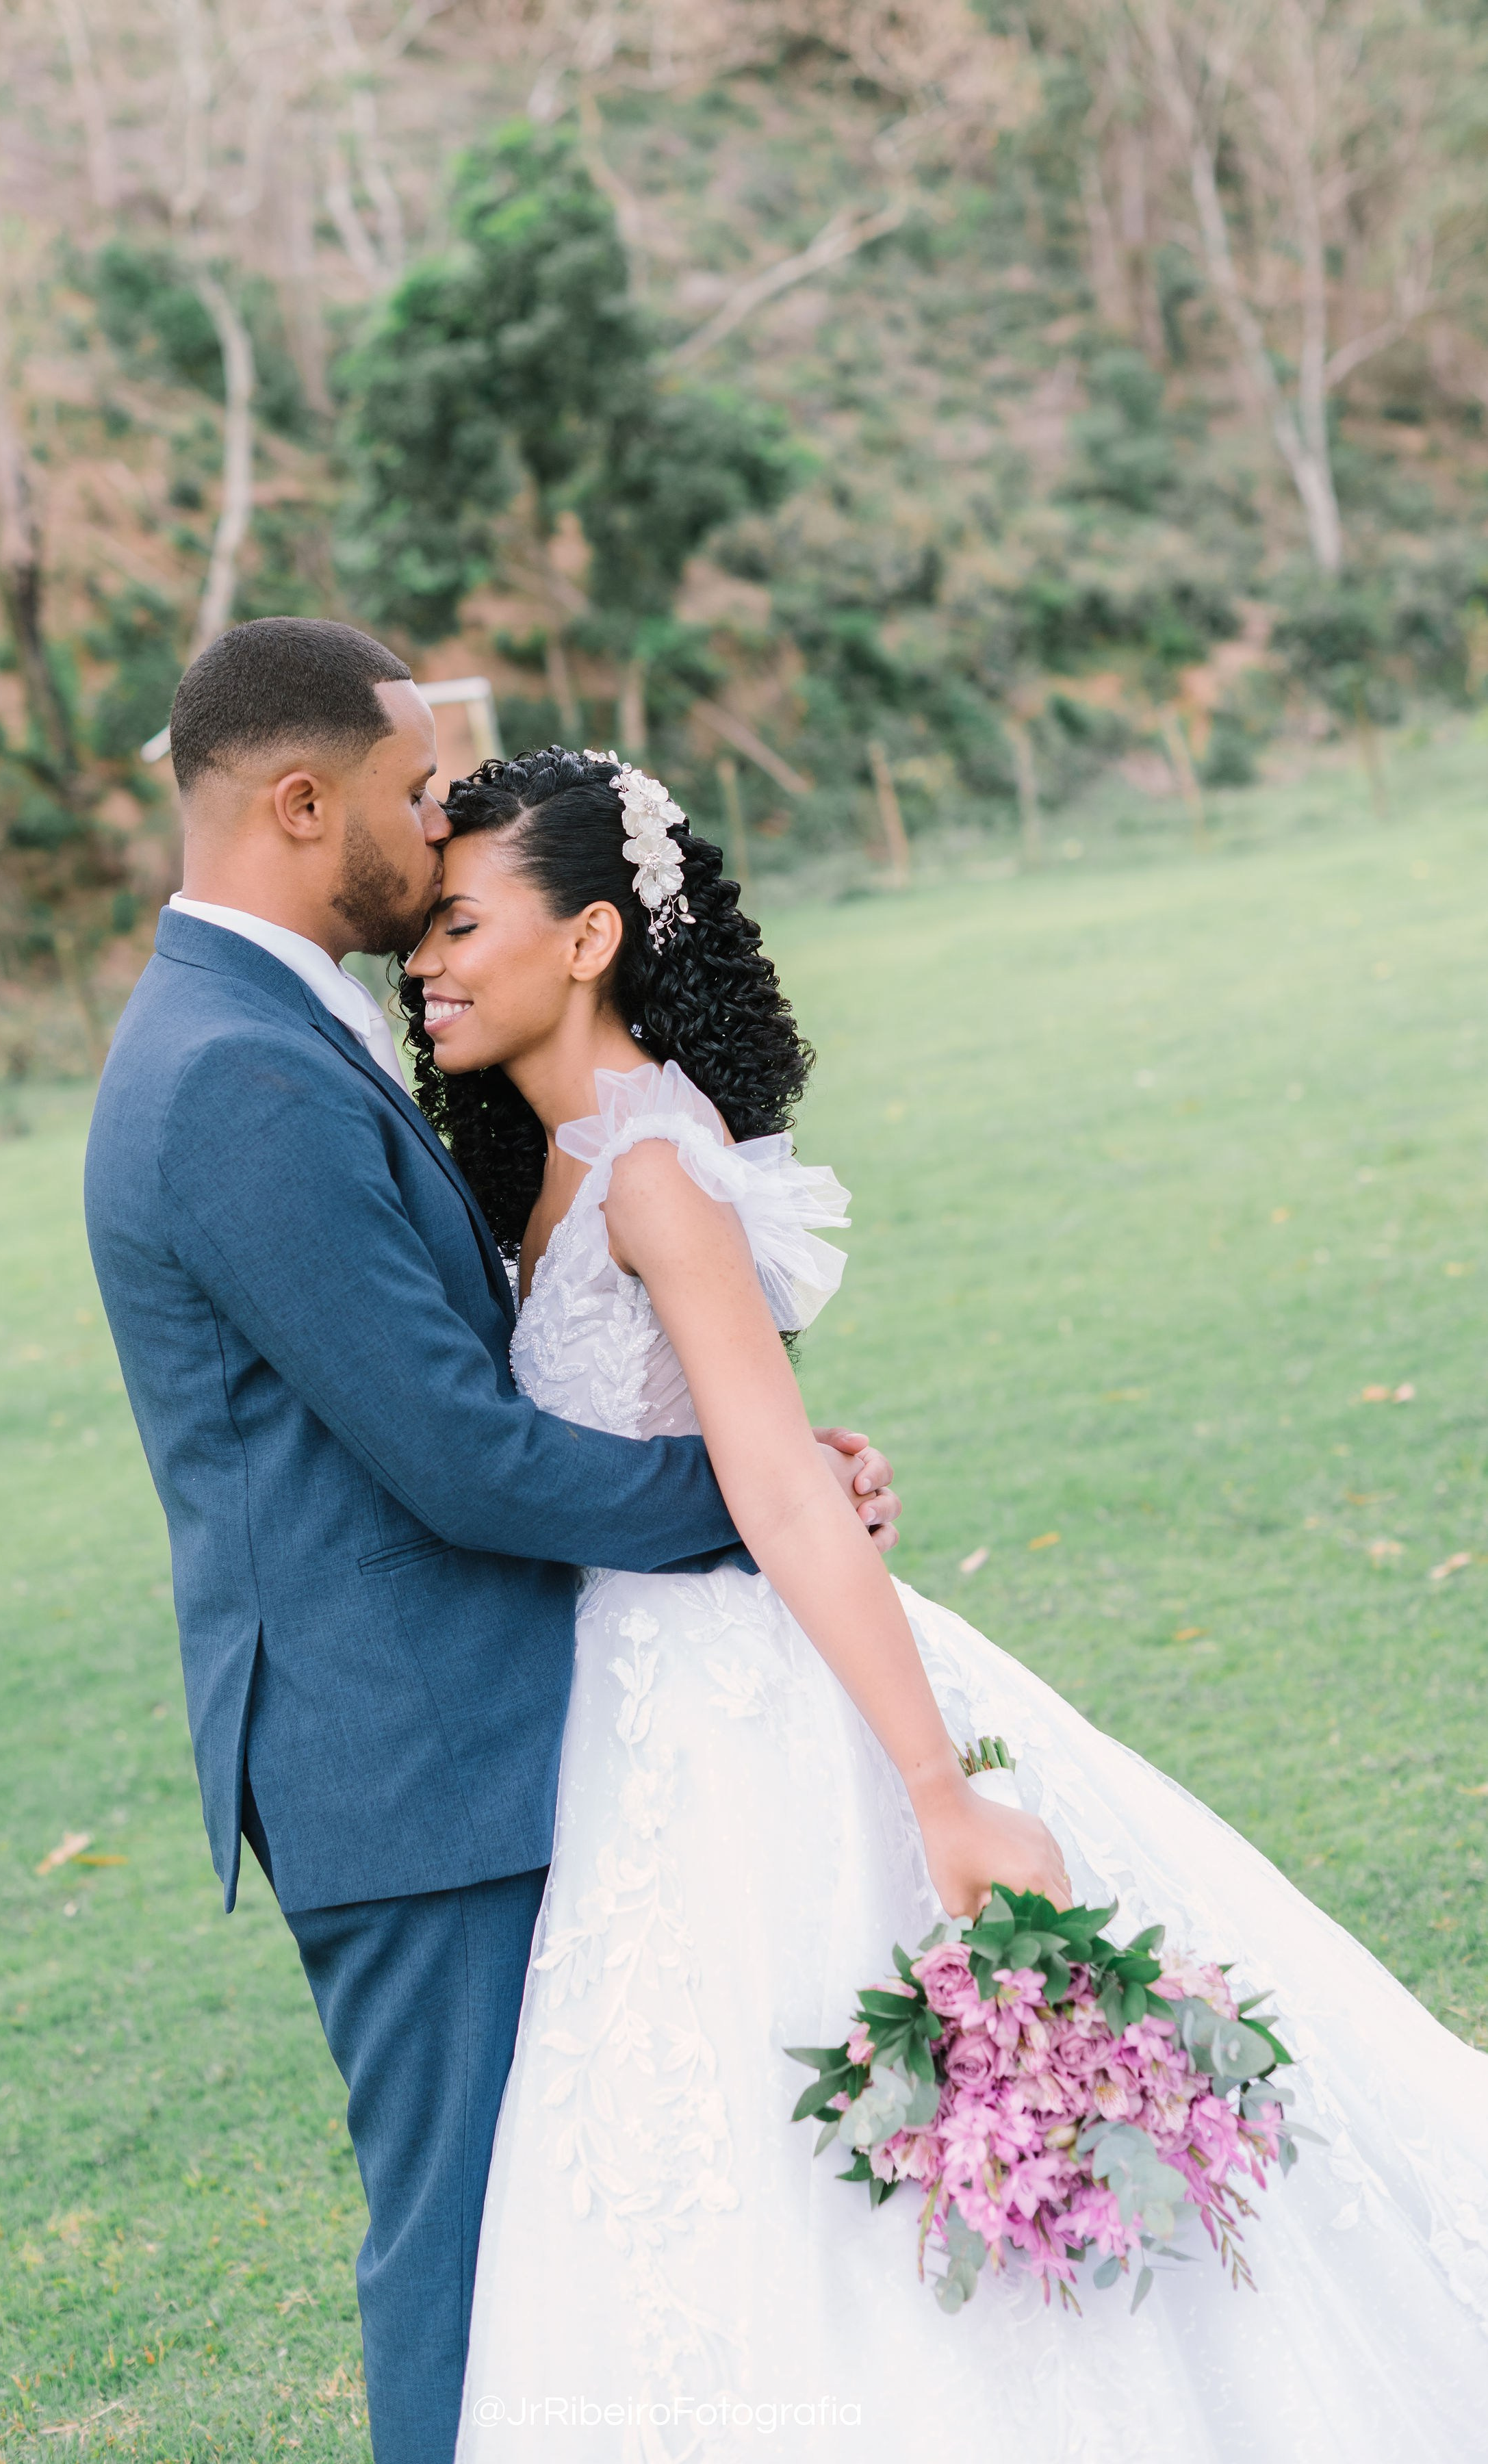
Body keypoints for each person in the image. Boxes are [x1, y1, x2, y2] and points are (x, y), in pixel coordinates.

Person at [398, 745, 1488, 2461]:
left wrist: (931, 1790)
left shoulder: (653, 1175)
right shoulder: (554, 1164)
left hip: (725, 1699)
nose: (424, 961)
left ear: (593, 935)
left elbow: (768, 1492)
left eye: (460, 923)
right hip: (630, 1707)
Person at [81, 618, 938, 2464]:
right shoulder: (232, 1074)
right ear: (301, 804)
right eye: (411, 792)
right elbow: (460, 1460)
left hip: (476, 1730)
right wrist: (756, 1487)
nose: (438, 814)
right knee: (473, 2261)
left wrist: (754, 1448)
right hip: (408, 1762)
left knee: (582, 2251)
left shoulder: (270, 1027)